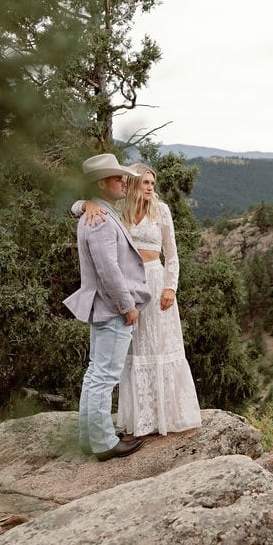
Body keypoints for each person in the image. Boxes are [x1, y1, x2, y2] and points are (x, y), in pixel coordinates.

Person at [71, 162, 202, 437]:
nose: (150, 188)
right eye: (146, 183)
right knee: (136, 350)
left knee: (162, 346)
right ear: (133, 184)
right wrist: (85, 205)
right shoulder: (118, 210)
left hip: (155, 279)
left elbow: (173, 253)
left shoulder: (161, 209)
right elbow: (79, 207)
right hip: (131, 285)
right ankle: (142, 418)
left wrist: (171, 287)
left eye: (153, 184)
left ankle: (167, 415)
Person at [63, 153, 151, 461]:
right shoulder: (99, 219)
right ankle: (103, 442)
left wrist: (82, 203)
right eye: (117, 178)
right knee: (105, 375)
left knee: (95, 372)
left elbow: (78, 208)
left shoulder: (97, 211)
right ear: (102, 184)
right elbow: (109, 271)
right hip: (111, 308)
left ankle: (90, 438)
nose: (124, 182)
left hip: (102, 307)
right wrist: (128, 306)